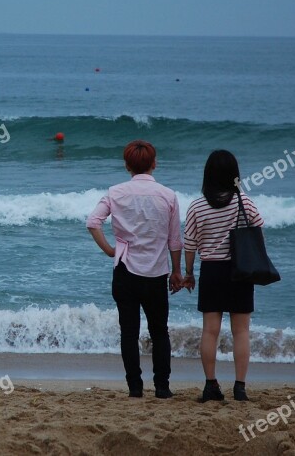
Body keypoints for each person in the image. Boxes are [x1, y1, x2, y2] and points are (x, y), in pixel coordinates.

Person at [86, 140, 184, 399]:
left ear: (127, 165)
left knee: (129, 331)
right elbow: (175, 240)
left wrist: (110, 250)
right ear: (154, 164)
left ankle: (135, 388)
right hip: (156, 273)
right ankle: (162, 387)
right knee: (159, 331)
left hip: (125, 271)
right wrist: (176, 272)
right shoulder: (168, 195)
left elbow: (92, 222)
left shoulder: (115, 192)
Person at [183, 150, 264, 402]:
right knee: (241, 332)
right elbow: (258, 228)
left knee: (210, 331)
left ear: (208, 175)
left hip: (211, 271)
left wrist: (188, 272)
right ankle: (240, 387)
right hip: (240, 270)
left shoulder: (197, 206)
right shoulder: (244, 202)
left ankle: (210, 386)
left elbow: (189, 244)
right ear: (234, 175)